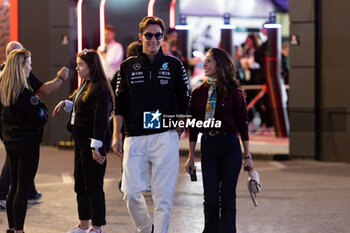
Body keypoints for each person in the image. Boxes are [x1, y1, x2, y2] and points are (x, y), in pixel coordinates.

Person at [113, 16, 190, 233]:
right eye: (149, 35)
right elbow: (120, 103)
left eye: (158, 35)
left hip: (165, 136)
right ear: (141, 37)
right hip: (134, 136)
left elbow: (185, 98)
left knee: (163, 197)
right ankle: (147, 229)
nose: (154, 39)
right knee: (130, 192)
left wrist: (178, 129)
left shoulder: (174, 64)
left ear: (162, 37)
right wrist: (116, 135)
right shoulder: (127, 66)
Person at [184, 48, 254, 233]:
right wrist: (191, 156)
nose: (204, 64)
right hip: (208, 146)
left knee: (228, 196)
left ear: (220, 65)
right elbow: (194, 126)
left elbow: (243, 124)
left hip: (230, 146)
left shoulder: (234, 92)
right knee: (211, 198)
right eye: (204, 61)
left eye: (209, 61)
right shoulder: (199, 92)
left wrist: (248, 156)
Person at [0, 41, 69, 209]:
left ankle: (29, 193)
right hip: (21, 133)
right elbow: (44, 94)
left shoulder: (3, 74)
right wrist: (60, 77)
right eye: (27, 62)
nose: (29, 67)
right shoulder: (22, 85)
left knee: (16, 162)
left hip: (7, 127)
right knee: (17, 168)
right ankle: (4, 195)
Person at [53, 49, 114, 233]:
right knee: (81, 184)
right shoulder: (86, 84)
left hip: (92, 145)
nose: (77, 68)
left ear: (92, 67)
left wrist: (96, 148)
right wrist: (66, 104)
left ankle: (96, 227)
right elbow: (82, 106)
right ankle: (84, 224)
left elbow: (100, 120)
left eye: (81, 65)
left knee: (94, 186)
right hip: (80, 144)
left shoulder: (100, 87)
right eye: (77, 64)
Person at [0, 49, 49, 233]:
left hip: (11, 142)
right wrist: (42, 107)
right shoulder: (25, 93)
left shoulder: (5, 90)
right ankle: (19, 230)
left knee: (14, 187)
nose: (31, 67)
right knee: (23, 188)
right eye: (29, 63)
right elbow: (42, 115)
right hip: (27, 144)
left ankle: (12, 228)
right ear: (21, 67)